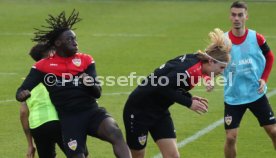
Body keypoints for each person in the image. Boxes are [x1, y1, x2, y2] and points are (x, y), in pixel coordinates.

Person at [16, 10, 131, 158]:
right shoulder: (42, 66)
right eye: (70, 39)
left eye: (75, 39)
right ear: (57, 43)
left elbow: (97, 92)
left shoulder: (86, 60)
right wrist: (22, 94)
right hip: (70, 119)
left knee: (115, 132)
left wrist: (89, 83)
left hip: (92, 111)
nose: (75, 42)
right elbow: (22, 90)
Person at [123, 28, 232, 158]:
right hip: (139, 110)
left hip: (160, 111)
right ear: (211, 61)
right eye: (221, 68)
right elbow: (162, 86)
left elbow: (173, 87)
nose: (221, 72)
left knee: (173, 156)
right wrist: (188, 102)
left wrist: (189, 97)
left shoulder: (197, 63)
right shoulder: (189, 70)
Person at [223, 1, 276, 158]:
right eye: (234, 15)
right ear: (230, 17)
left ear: (246, 16)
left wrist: (264, 79)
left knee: (274, 132)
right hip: (233, 97)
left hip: (256, 94)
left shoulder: (256, 38)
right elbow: (212, 62)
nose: (237, 18)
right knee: (230, 137)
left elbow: (270, 57)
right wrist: (210, 78)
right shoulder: (224, 41)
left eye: (240, 15)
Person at [20, 43, 89, 158]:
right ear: (49, 55)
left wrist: (30, 145)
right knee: (80, 155)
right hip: (60, 123)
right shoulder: (59, 74)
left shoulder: (28, 82)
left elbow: (23, 113)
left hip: (37, 127)